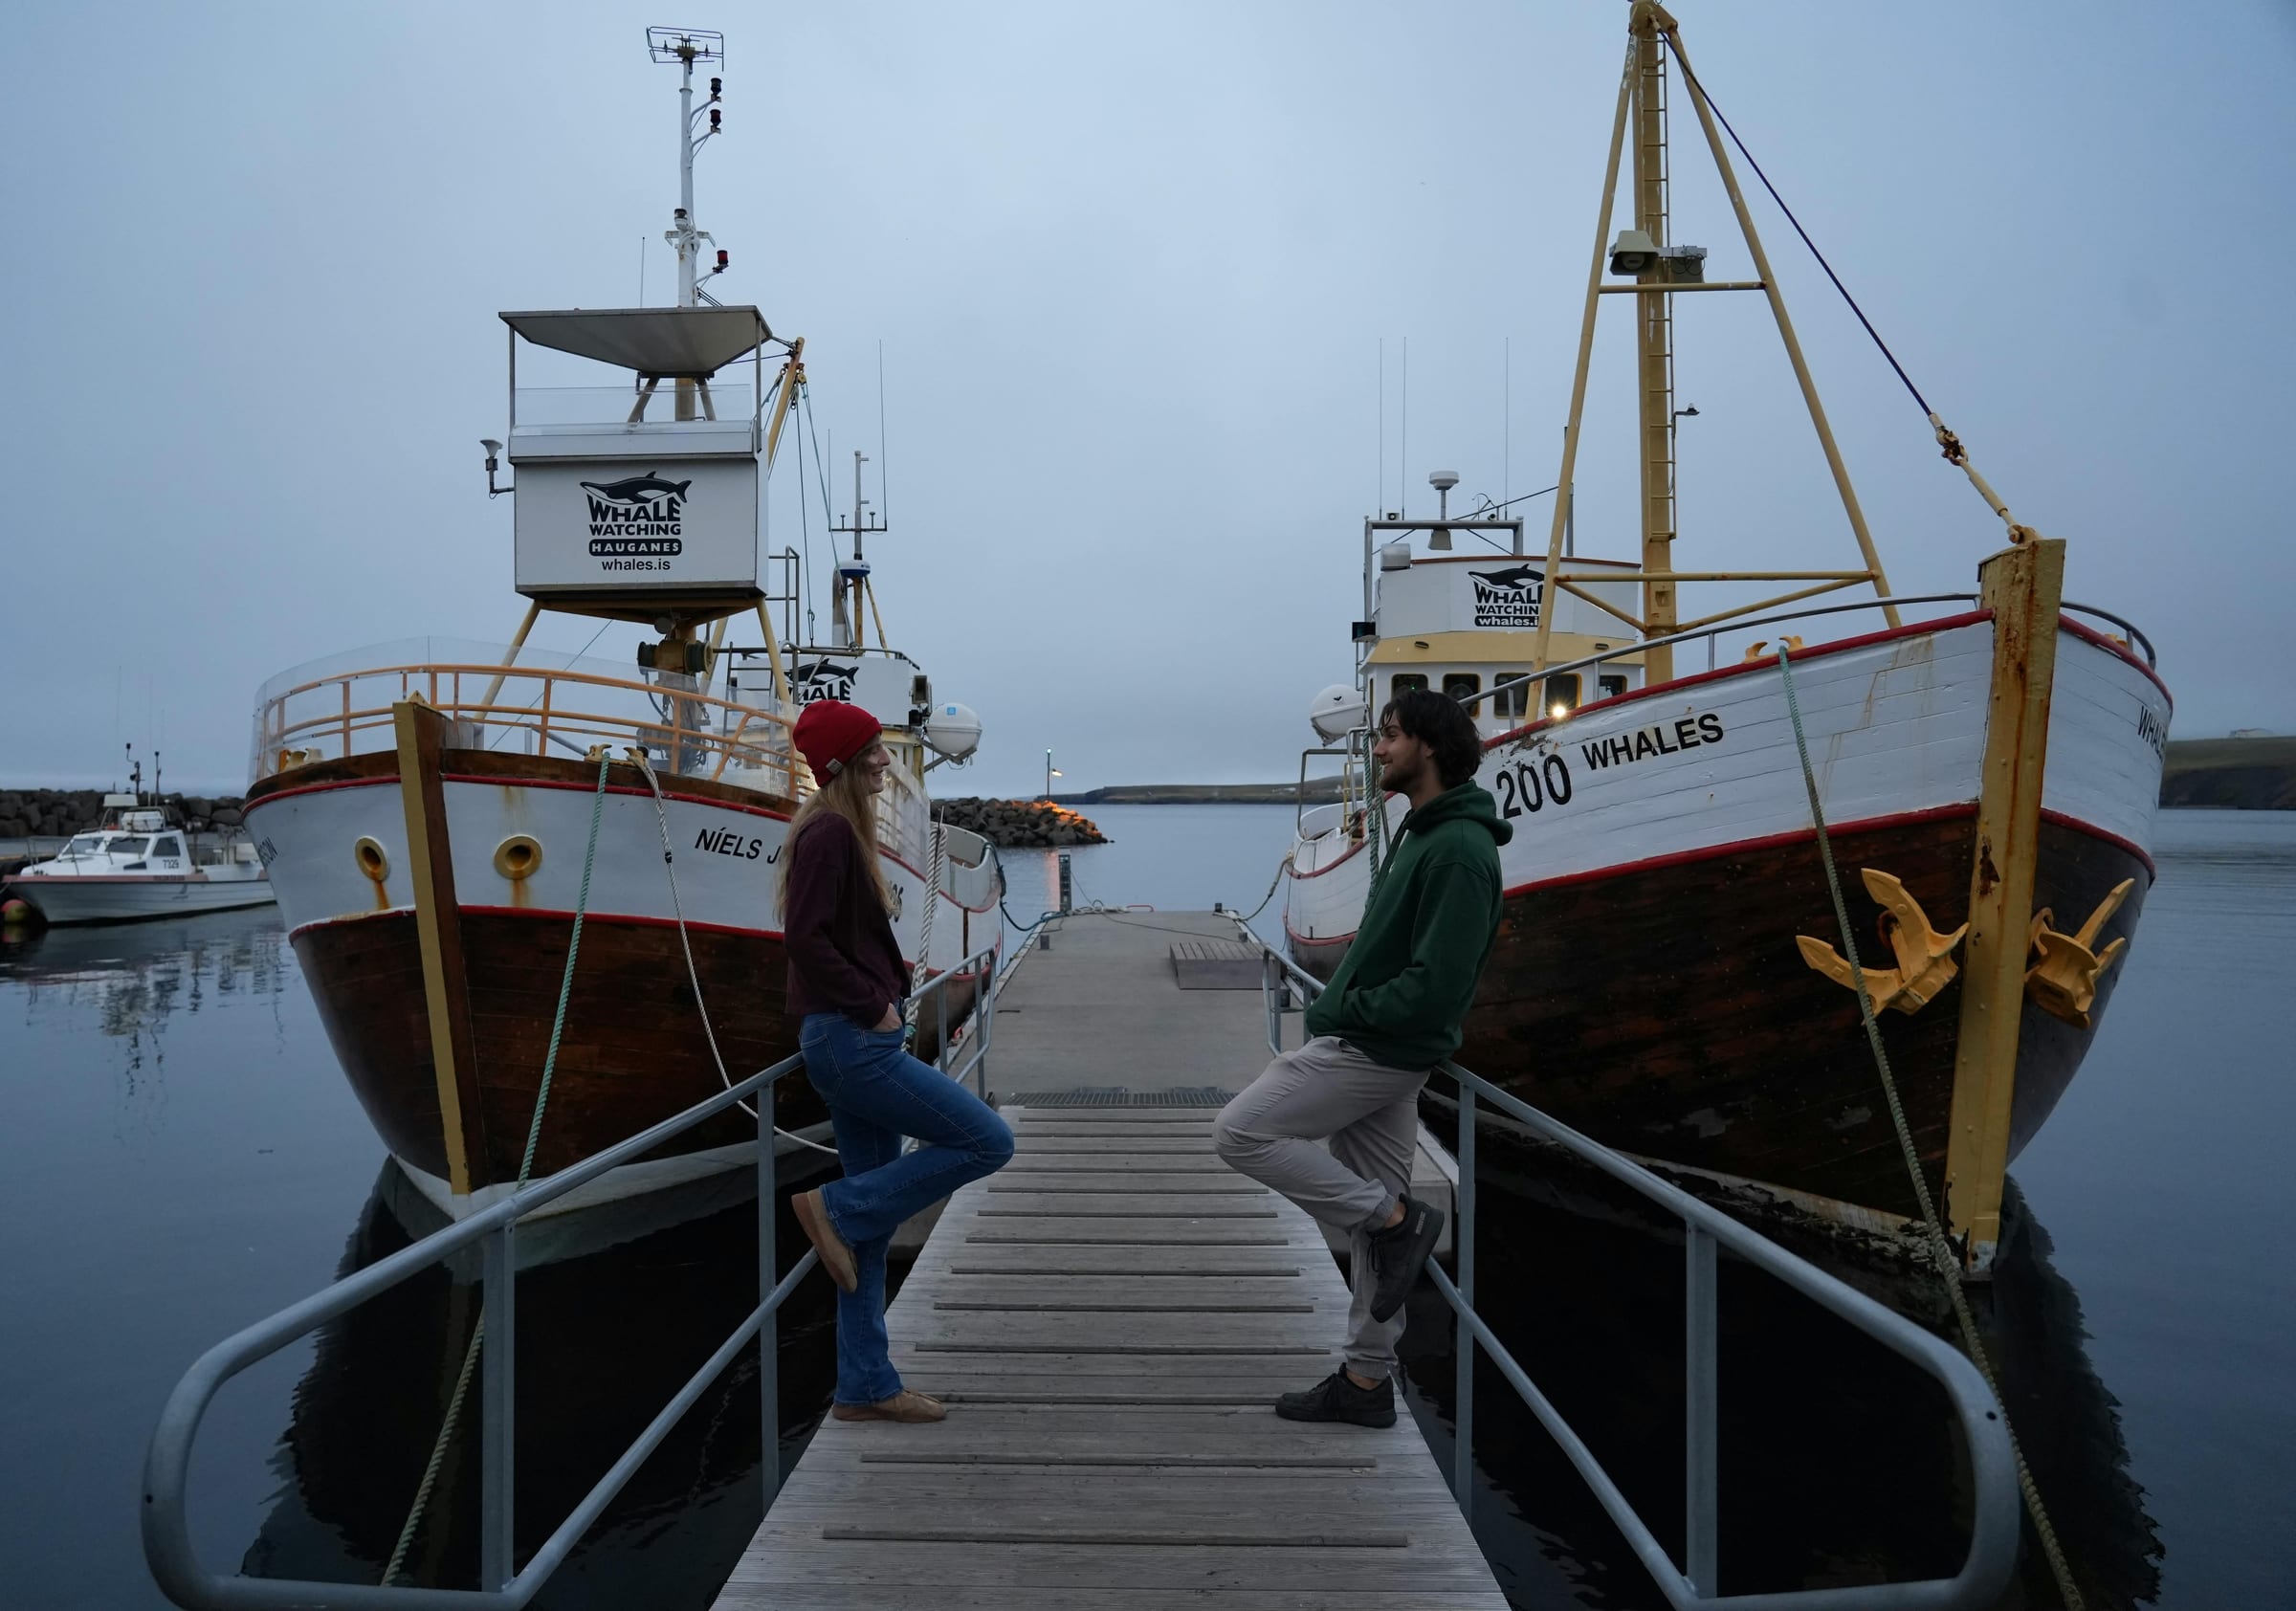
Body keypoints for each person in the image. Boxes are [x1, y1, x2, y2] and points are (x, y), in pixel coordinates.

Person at [1215, 688, 1511, 1428]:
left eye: (1389, 736)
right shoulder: (1423, 831)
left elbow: (1436, 990)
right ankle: (1367, 1381)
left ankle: (1398, 1219)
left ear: (1431, 747)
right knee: (1369, 1221)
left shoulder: (1459, 851)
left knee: (1241, 1132)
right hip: (1386, 1055)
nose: (1377, 749)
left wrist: (1341, 1012)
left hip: (1372, 1050)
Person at [780, 697, 1015, 1423]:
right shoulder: (827, 834)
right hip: (854, 1043)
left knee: (875, 1231)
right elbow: (806, 940)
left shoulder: (838, 830)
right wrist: (872, 1005)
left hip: (850, 1041)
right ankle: (834, 1208)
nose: (887, 761)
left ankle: (865, 1385)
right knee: (987, 1140)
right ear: (846, 763)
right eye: (875, 751)